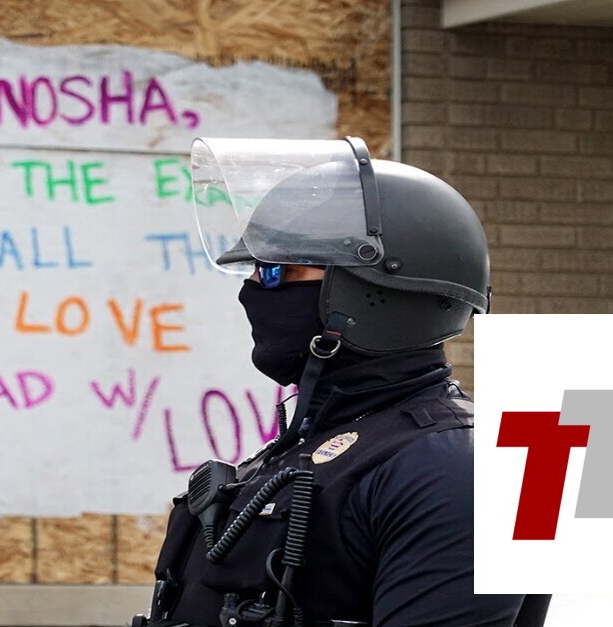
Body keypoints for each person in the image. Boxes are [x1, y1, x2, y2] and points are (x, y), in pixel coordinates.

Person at [135, 138, 547, 627]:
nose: (251, 291)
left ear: (373, 290)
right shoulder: (303, 451)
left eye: (277, 271)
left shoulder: (456, 467)